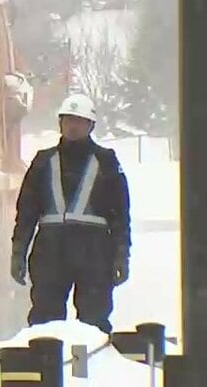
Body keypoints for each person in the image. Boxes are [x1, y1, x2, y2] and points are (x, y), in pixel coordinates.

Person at [10, 93, 131, 334]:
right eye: (68, 120)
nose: (73, 126)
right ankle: (46, 368)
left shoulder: (106, 161)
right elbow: (26, 212)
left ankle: (91, 370)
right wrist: (18, 252)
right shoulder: (43, 161)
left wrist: (121, 255)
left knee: (94, 324)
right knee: (45, 325)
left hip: (94, 254)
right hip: (50, 253)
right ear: (60, 123)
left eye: (79, 121)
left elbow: (120, 216)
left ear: (91, 125)